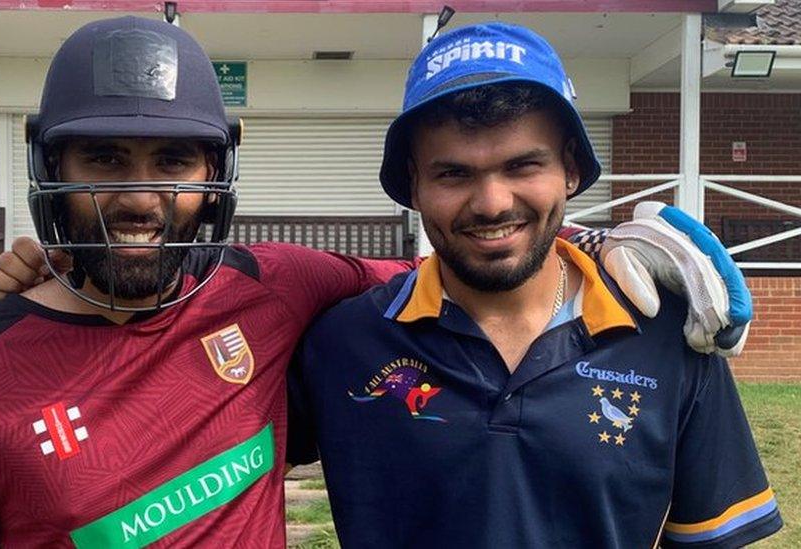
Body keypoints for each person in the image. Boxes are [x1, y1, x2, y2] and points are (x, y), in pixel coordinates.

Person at [0, 16, 751, 548]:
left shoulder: (277, 288)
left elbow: (478, 260)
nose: (137, 196)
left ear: (214, 176)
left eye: (173, 161)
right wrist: (29, 303)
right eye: (101, 159)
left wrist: (605, 244)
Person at [286, 22, 781, 548]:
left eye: (523, 165)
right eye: (453, 174)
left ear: (570, 168)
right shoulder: (344, 341)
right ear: (414, 184)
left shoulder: (667, 337)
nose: (493, 202)